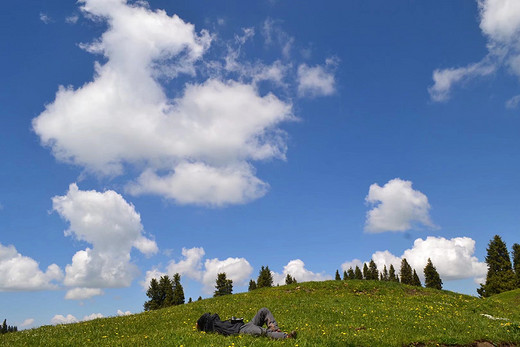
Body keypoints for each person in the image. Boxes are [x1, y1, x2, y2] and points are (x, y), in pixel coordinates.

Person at [196, 307, 297, 339]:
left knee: (263, 310)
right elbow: (205, 316)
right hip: (242, 330)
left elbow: (213, 315)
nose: (213, 316)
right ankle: (286, 337)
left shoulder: (217, 322)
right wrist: (198, 325)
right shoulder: (212, 327)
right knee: (262, 332)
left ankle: (274, 329)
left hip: (246, 325)